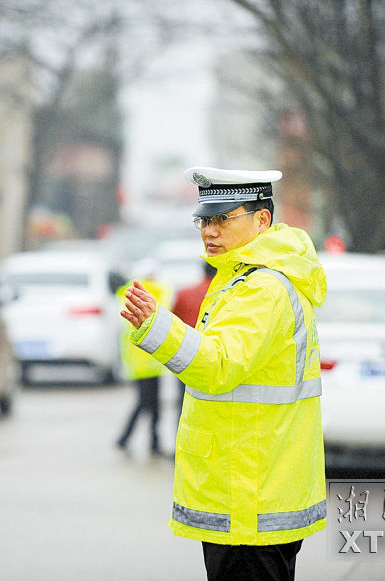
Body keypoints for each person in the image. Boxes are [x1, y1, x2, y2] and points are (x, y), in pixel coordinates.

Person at [120, 167, 328, 581]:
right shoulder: (241, 278)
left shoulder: (261, 288)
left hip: (250, 495)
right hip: (252, 487)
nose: (209, 231)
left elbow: (218, 366)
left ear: (262, 219)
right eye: (204, 220)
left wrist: (159, 328)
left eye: (223, 219)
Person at [115, 259, 172, 456]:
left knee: (146, 402)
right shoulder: (157, 292)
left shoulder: (125, 293)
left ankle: (147, 441)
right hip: (153, 359)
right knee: (149, 403)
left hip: (134, 361)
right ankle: (133, 439)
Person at [170, 260, 217, 418]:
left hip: (185, 353)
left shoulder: (185, 293)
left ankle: (178, 438)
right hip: (213, 355)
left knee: (183, 401)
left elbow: (173, 321)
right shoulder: (225, 293)